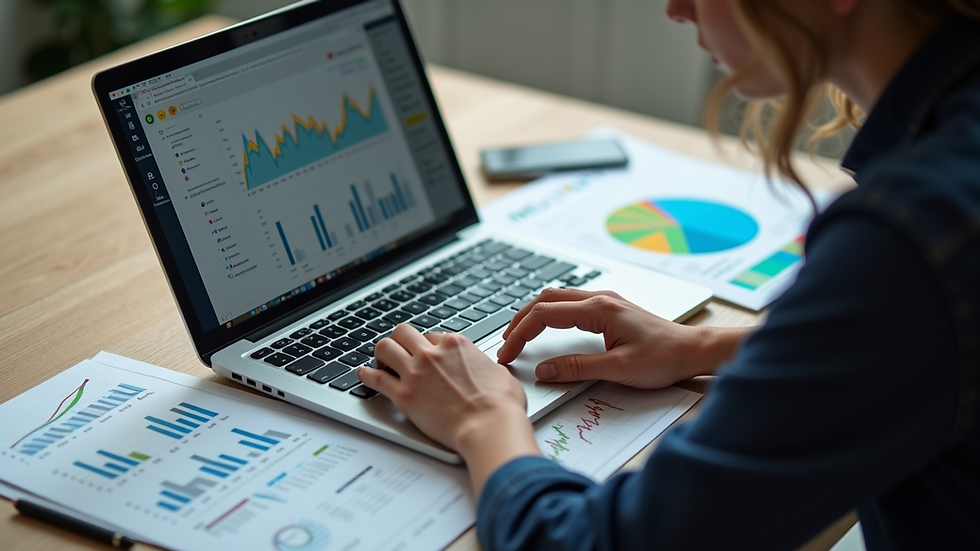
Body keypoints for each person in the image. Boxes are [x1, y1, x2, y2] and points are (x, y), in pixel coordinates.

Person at [357, 0, 980, 548]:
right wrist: (706, 345)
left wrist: (481, 419)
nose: (675, 7)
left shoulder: (909, 233)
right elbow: (924, 341)